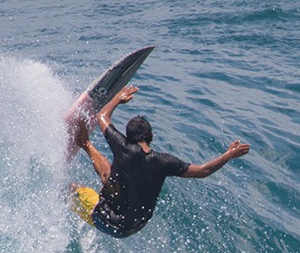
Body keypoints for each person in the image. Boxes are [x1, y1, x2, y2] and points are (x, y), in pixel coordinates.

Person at [69, 84, 250, 238]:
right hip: (134, 227)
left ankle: (70, 173)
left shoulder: (123, 147)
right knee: (111, 174)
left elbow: (102, 116)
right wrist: (229, 154)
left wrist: (118, 98)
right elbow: (204, 171)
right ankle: (84, 143)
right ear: (151, 136)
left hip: (106, 221)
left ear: (128, 137)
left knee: (73, 188)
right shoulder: (164, 161)